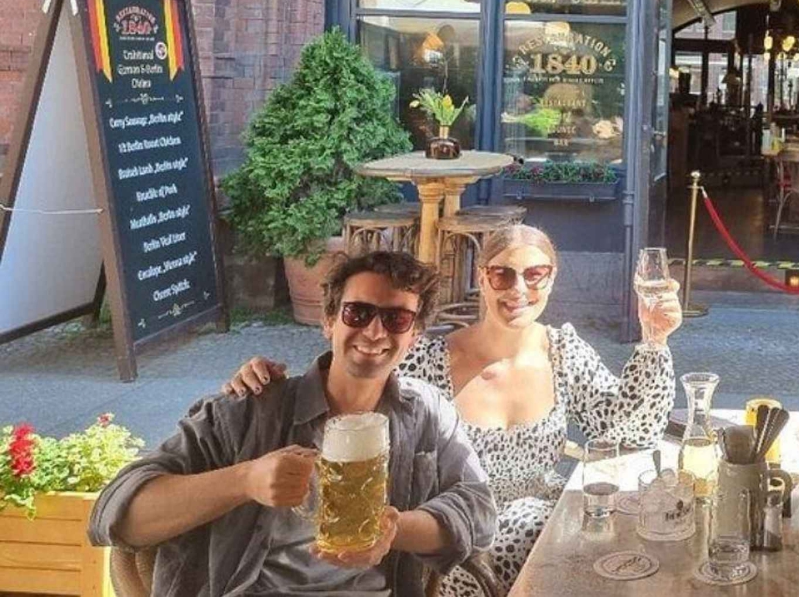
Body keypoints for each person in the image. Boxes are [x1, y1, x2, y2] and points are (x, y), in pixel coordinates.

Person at [225, 224, 682, 595]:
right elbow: (352, 375)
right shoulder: (430, 360)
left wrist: (655, 339)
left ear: (552, 279)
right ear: (481, 277)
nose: (518, 289)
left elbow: (630, 428)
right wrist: (262, 378)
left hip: (545, 530)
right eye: (502, 275)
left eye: (535, 275)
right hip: (453, 548)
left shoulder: (563, 352)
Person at [88, 250, 496, 596]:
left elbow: (479, 512)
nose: (374, 331)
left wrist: (395, 529)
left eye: (396, 319)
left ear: (415, 336)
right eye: (358, 313)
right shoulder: (252, 409)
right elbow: (114, 517)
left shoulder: (425, 413)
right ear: (329, 321)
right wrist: (245, 480)